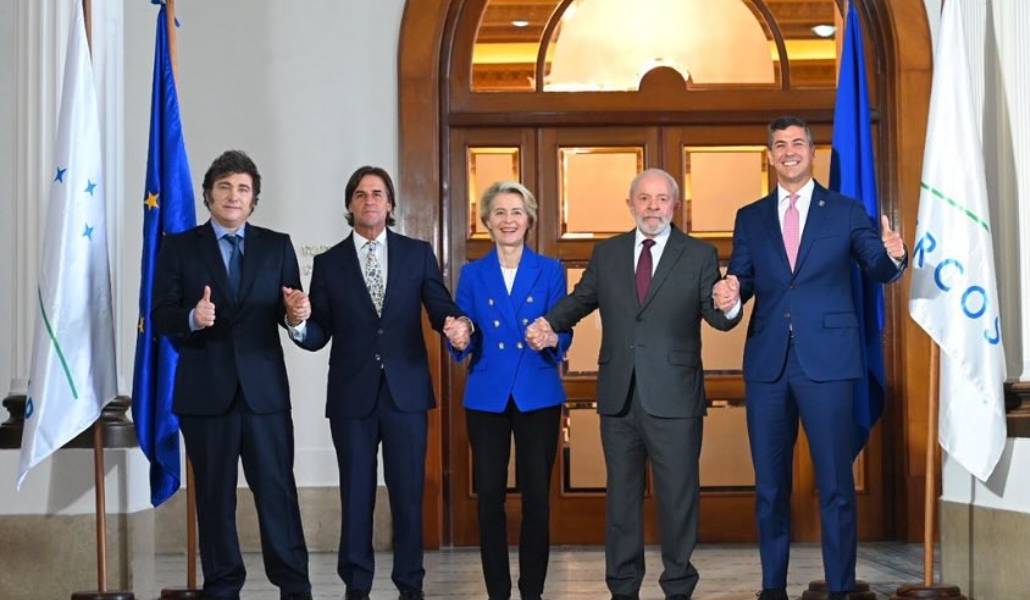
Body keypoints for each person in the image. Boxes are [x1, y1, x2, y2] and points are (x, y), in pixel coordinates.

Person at [526, 168, 741, 600]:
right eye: (644, 199)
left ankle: (678, 586)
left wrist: (730, 302)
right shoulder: (607, 253)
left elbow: (717, 318)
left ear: (675, 205)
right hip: (619, 398)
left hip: (676, 398)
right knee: (621, 501)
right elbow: (581, 299)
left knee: (678, 499)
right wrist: (548, 323)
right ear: (630, 204)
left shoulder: (699, 253)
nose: (653, 207)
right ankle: (622, 588)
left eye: (662, 199)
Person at [716, 116, 907, 600]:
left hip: (830, 363)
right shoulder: (750, 217)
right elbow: (743, 280)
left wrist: (894, 256)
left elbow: (877, 266)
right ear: (770, 154)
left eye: (797, 143)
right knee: (770, 490)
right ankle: (772, 590)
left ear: (812, 151)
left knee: (837, 487)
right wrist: (731, 295)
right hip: (768, 367)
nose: (788, 152)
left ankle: (841, 590)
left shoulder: (844, 211)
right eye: (779, 145)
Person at [284, 166, 471, 600]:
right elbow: (318, 334)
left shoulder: (416, 253)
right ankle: (357, 584)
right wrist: (298, 322)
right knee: (356, 494)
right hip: (352, 398)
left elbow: (439, 303)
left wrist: (455, 323)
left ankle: (410, 585)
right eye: (362, 194)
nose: (370, 201)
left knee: (408, 495)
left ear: (390, 205)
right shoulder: (329, 263)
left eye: (378, 193)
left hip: (406, 394)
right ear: (350, 205)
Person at [152, 150, 311, 600]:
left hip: (265, 397)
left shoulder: (276, 245)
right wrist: (191, 318)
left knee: (277, 494)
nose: (233, 196)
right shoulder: (179, 247)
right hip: (206, 397)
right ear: (208, 195)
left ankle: (294, 587)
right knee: (214, 499)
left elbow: (290, 308)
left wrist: (296, 312)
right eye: (224, 187)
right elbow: (160, 314)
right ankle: (222, 587)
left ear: (254, 199)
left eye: (243, 188)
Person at [448, 181, 572, 600]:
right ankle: (498, 591)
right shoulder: (472, 273)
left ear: (529, 219)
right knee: (490, 500)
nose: (508, 220)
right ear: (486, 221)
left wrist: (552, 338)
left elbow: (564, 328)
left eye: (516, 212)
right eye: (499, 213)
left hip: (537, 394)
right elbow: (461, 331)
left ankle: (532, 591)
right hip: (487, 396)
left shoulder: (551, 269)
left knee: (537, 499)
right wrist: (459, 336)